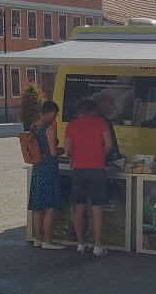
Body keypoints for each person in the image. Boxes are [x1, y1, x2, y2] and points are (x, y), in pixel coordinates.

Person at [65, 98, 112, 256]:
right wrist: (99, 154)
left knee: (79, 207)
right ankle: (98, 246)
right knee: (97, 208)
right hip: (97, 168)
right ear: (94, 110)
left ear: (80, 111)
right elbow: (109, 145)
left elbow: (68, 148)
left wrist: (77, 155)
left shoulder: (71, 125)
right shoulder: (101, 122)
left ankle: (80, 243)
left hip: (79, 169)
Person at [28, 101, 65, 250]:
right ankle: (48, 241)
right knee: (50, 206)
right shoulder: (48, 128)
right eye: (55, 114)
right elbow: (53, 152)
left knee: (38, 206)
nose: (55, 117)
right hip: (49, 169)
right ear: (49, 112)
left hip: (37, 168)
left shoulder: (33, 126)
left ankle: (38, 239)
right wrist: (61, 150)